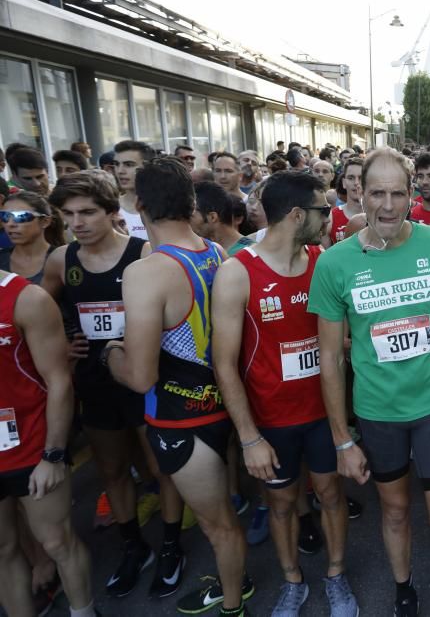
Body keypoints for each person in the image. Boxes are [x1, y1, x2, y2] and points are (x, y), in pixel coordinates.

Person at [309, 147, 430, 617]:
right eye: (375, 192)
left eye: (397, 193)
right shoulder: (335, 262)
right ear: (358, 191)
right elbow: (328, 358)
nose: (386, 205)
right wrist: (343, 440)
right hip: (378, 414)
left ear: (413, 193)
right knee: (396, 510)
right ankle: (403, 589)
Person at [104, 157, 251, 617]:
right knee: (224, 518)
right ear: (191, 203)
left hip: (180, 419)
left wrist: (108, 353)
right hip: (221, 405)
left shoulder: (147, 271)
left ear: (140, 205)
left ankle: (232, 603)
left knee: (219, 526)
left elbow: (141, 375)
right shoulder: (215, 252)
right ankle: (234, 581)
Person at [211, 171, 358, 616]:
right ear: (297, 215)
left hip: (324, 412)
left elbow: (342, 336)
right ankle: (292, 580)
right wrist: (249, 437)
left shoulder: (322, 259)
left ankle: (336, 574)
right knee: (281, 503)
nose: (329, 217)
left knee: (331, 495)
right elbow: (224, 363)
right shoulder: (238, 272)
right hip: (273, 420)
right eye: (322, 210)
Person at [43, 173, 188, 600]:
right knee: (110, 470)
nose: (77, 222)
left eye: (87, 212)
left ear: (112, 212)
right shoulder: (60, 260)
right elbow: (38, 308)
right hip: (95, 382)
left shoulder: (144, 253)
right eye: (68, 214)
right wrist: (64, 336)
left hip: (146, 380)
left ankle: (170, 545)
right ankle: (132, 546)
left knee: (162, 469)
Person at [0, 267, 97, 617]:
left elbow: (58, 380)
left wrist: (53, 454)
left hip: (31, 445)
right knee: (3, 549)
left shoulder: (26, 298)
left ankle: (84, 612)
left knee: (57, 542)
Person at [0, 192, 61, 284]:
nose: (10, 224)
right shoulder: (1, 258)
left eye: (21, 216)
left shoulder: (63, 259)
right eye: (4, 216)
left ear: (45, 221)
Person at [191, 182, 255, 256]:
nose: (186, 222)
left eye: (191, 216)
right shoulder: (203, 249)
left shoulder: (250, 255)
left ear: (212, 217)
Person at [114, 140, 154, 241]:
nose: (120, 171)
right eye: (116, 164)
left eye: (129, 164)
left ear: (147, 166)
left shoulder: (165, 208)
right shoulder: (109, 208)